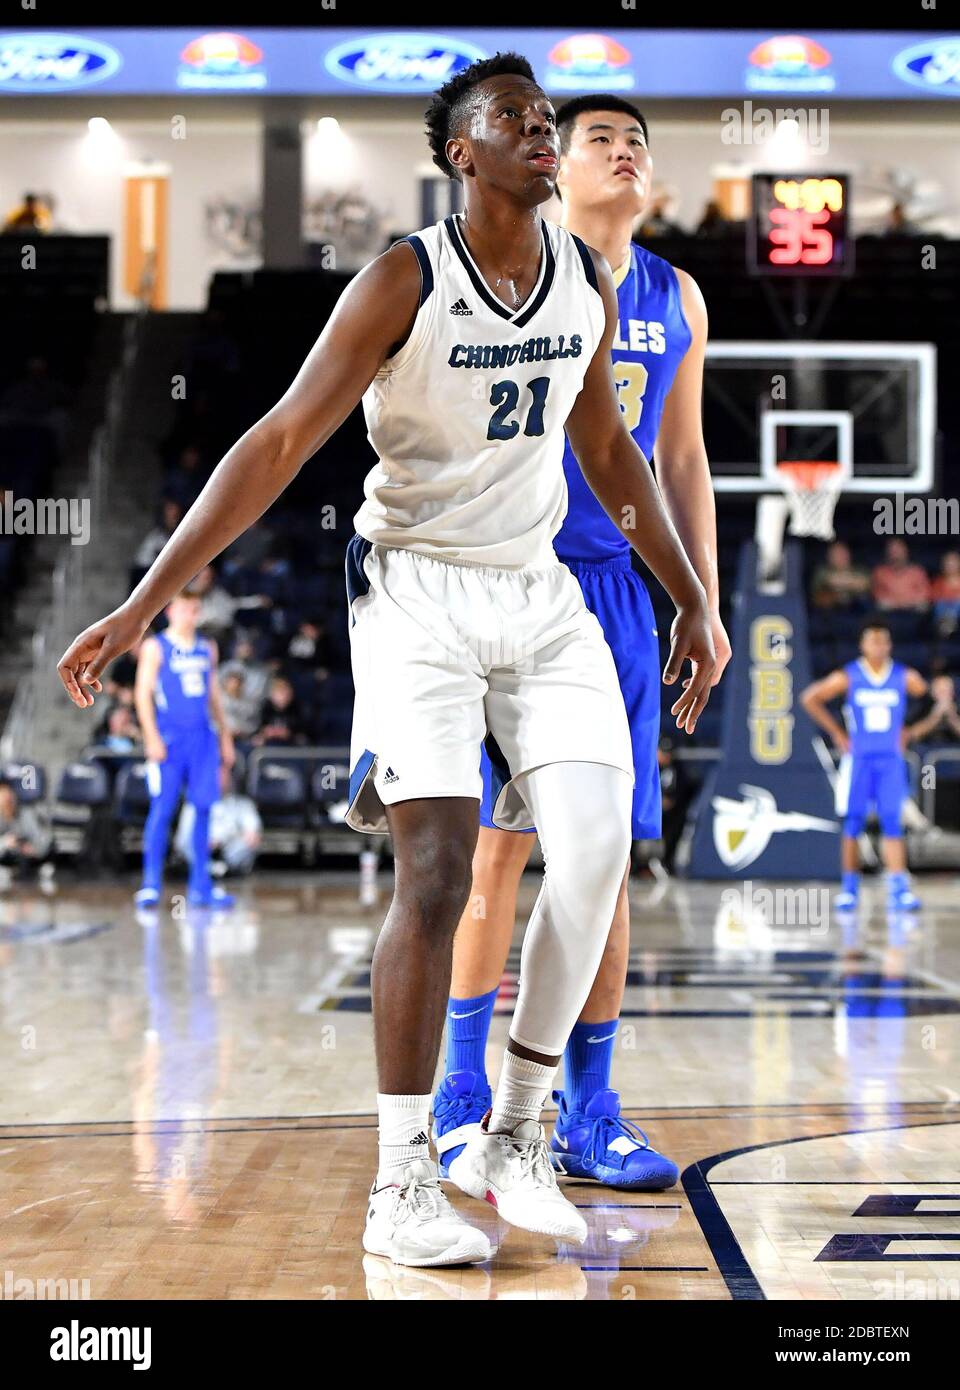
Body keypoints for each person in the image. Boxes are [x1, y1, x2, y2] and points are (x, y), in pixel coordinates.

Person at [57, 53, 716, 1268]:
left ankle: (518, 1135)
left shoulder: (583, 281)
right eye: (517, 119)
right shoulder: (402, 279)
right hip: (414, 587)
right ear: (463, 153)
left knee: (593, 860)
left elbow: (614, 455)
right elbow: (279, 440)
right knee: (438, 866)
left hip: (541, 591)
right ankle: (403, 1176)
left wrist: (697, 602)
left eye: (547, 118)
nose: (542, 131)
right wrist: (147, 602)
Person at [433, 93, 730, 1195]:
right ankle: (462, 1091)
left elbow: (684, 460)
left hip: (616, 593)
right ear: (556, 163)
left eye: (639, 140)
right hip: (513, 579)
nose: (623, 150)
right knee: (492, 854)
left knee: (604, 871)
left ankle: (586, 1109)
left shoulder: (677, 293)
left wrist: (697, 596)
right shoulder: (517, 268)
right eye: (601, 136)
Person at [800, 620, 927, 913]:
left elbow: (929, 699)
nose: (879, 647)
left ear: (890, 645)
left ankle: (899, 890)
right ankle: (849, 889)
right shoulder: (849, 675)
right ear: (863, 645)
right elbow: (810, 698)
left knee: (893, 823)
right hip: (858, 760)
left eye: (884, 642)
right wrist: (837, 733)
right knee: (853, 823)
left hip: (890, 761)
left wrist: (911, 730)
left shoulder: (904, 676)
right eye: (873, 641)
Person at [132, 588, 236, 910]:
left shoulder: (207, 648)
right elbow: (142, 694)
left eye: (194, 609)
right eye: (184, 609)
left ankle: (201, 886)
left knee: (204, 809)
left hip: (202, 738)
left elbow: (214, 697)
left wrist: (226, 737)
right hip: (170, 739)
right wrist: (151, 736)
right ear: (170, 611)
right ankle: (150, 885)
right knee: (162, 810)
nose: (190, 615)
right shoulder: (155, 647)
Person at [175, 765, 262, 878]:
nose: (221, 780)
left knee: (250, 840)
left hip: (228, 851)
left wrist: (222, 839)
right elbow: (183, 836)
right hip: (201, 849)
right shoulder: (193, 804)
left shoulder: (242, 804)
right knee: (186, 842)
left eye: (225, 776)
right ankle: (206, 869)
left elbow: (252, 828)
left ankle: (224, 869)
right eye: (217, 776)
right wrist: (205, 840)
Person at [0, 777, 53, 889]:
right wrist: (5, 843)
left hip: (31, 857)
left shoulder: (26, 814)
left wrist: (33, 849)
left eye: (8, 793)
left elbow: (43, 842)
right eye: (2, 794)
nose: (6, 798)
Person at [871, 539, 930, 611]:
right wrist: (897, 604)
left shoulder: (917, 571)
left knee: (923, 605)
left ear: (905, 552)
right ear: (887, 553)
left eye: (898, 550)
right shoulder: (880, 572)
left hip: (913, 609)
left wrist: (906, 603)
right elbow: (877, 594)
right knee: (881, 605)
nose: (896, 554)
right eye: (893, 551)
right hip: (889, 609)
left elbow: (924, 593)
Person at [810, 541, 871, 610]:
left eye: (843, 553)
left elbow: (865, 584)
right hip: (830, 611)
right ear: (829, 557)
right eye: (836, 554)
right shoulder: (822, 571)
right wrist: (851, 583)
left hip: (856, 609)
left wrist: (843, 582)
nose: (841, 557)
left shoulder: (859, 570)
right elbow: (824, 584)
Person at [931, 551, 960, 635]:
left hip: (957, 613)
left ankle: (950, 624)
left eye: (953, 562)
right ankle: (946, 626)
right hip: (942, 613)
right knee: (940, 605)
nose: (950, 565)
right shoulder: (938, 582)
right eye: (947, 562)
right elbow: (934, 597)